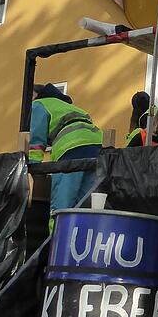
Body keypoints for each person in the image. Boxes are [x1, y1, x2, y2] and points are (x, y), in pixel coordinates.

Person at [29, 83, 102, 223]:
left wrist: (32, 167)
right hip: (95, 146)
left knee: (61, 207)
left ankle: (56, 241)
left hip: (71, 147)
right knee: (85, 206)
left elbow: (36, 140)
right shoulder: (70, 107)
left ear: (36, 95)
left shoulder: (38, 104)